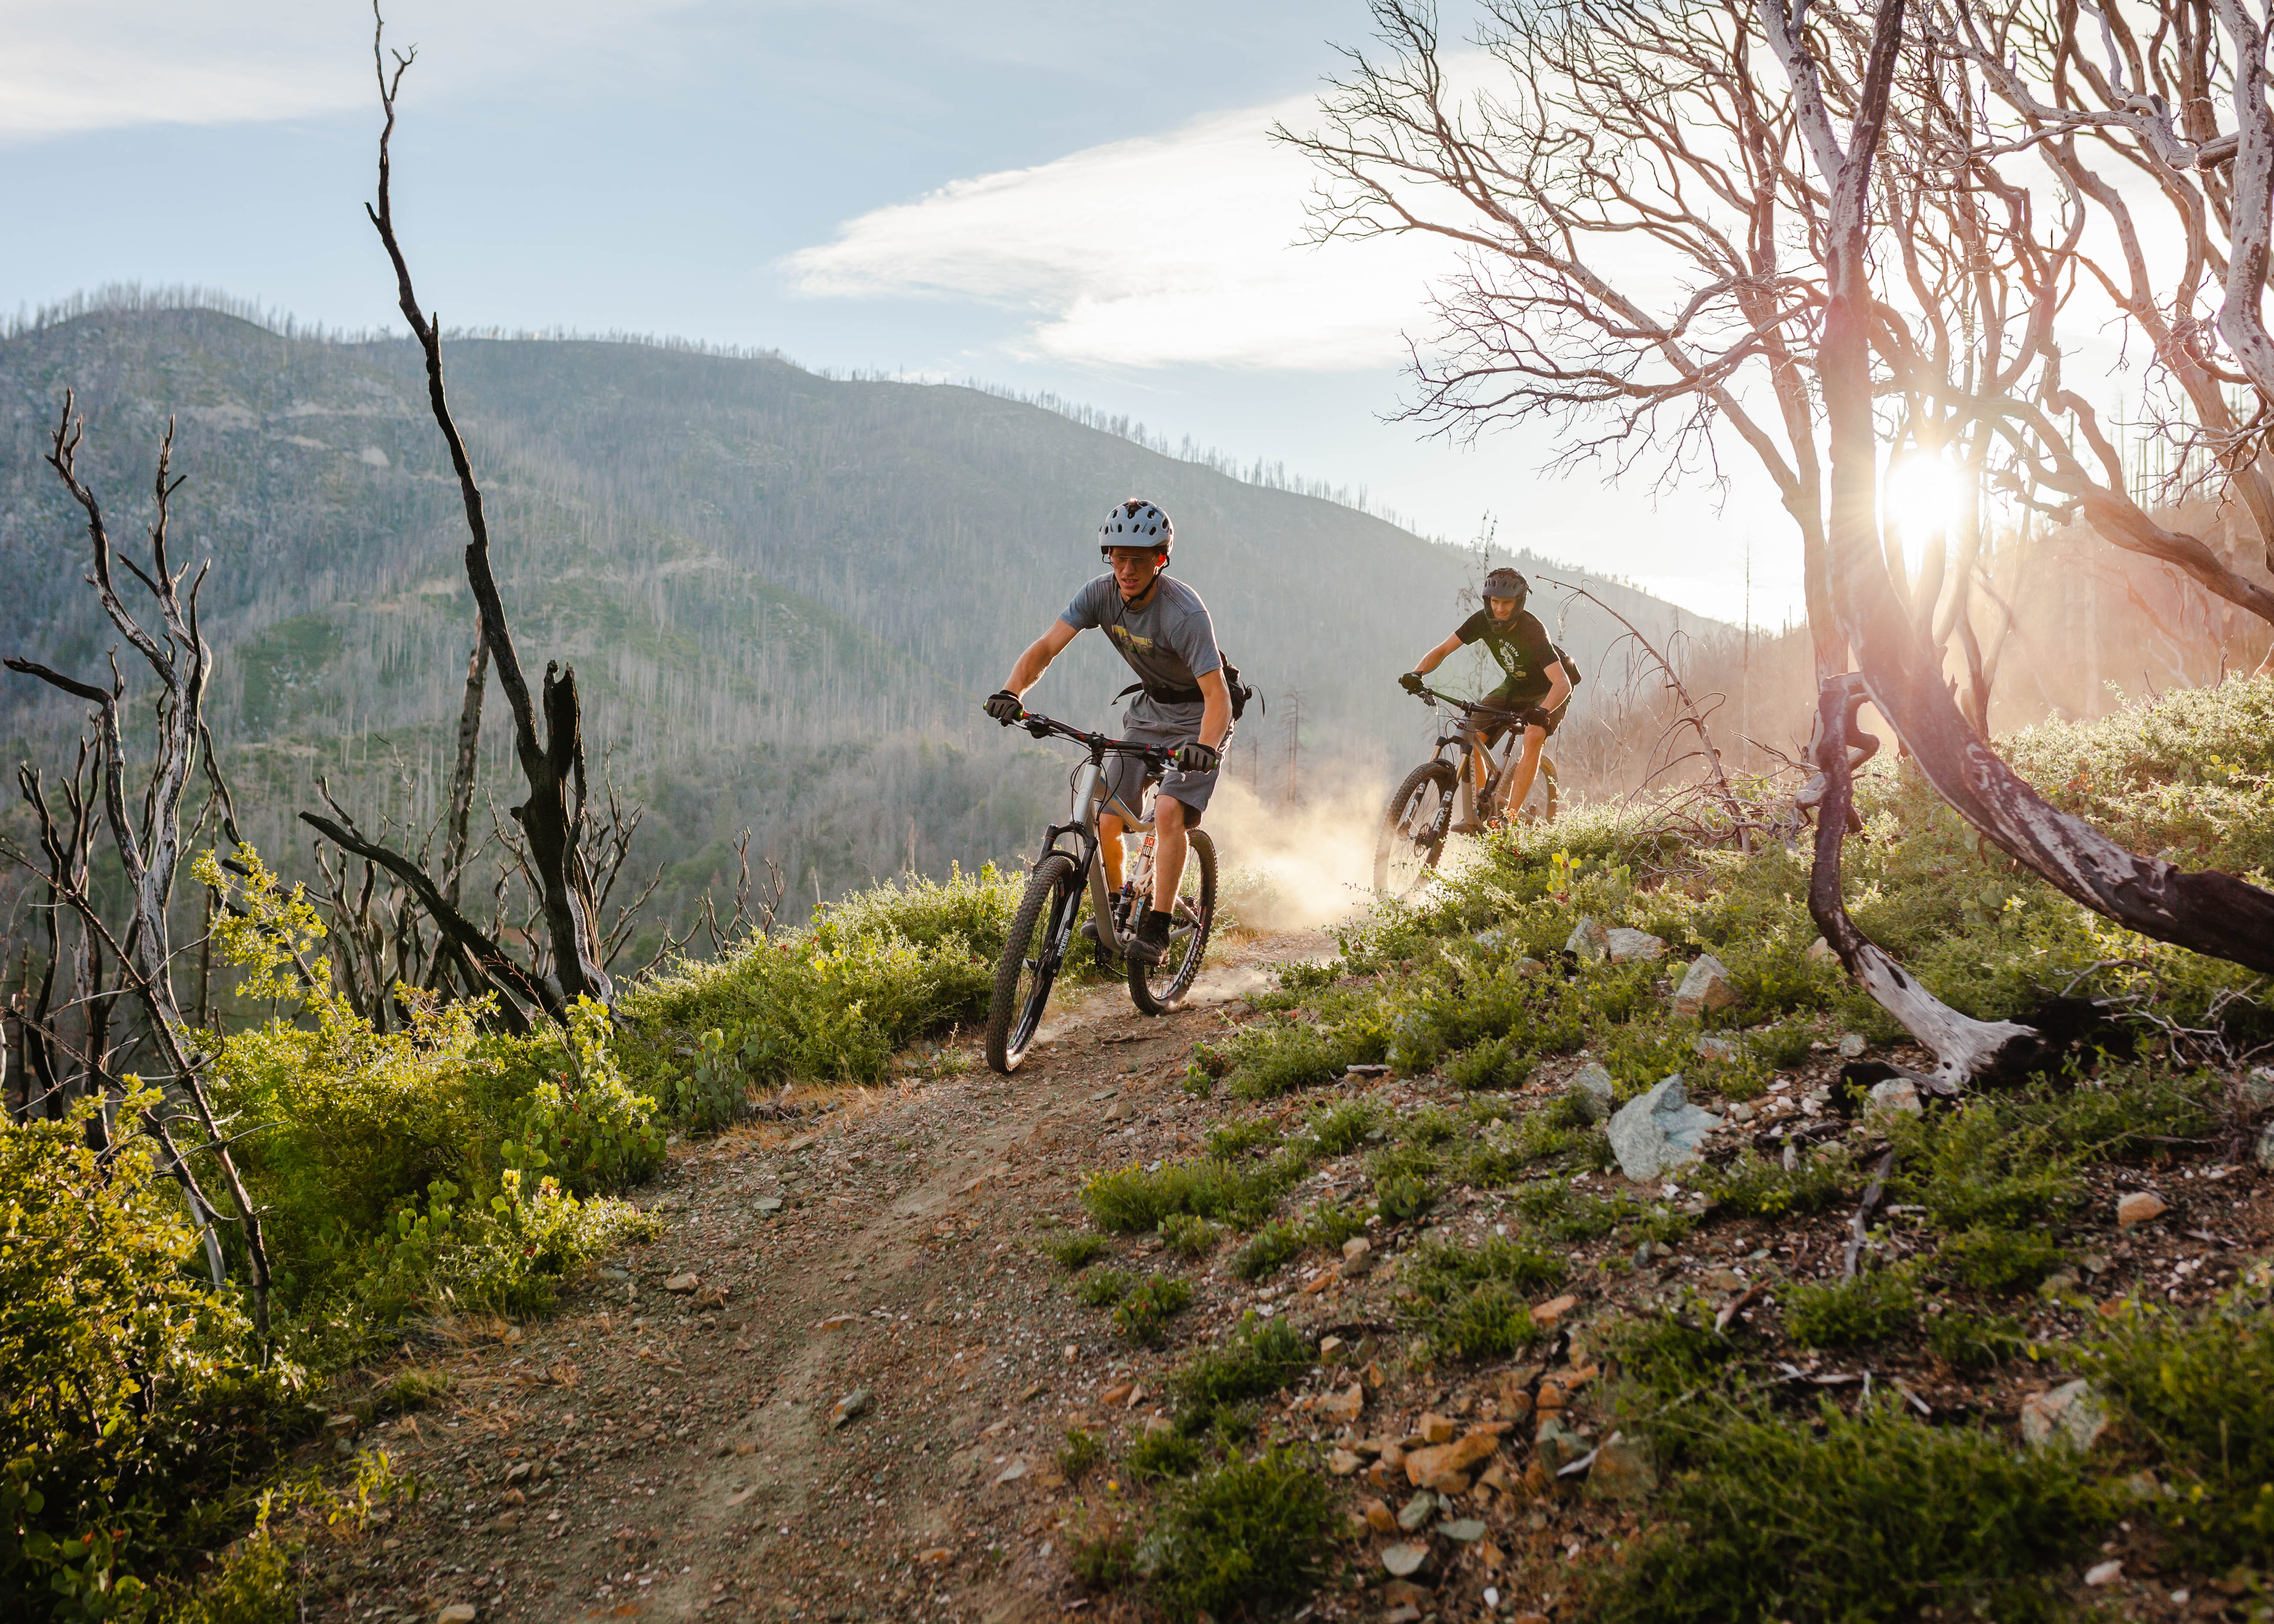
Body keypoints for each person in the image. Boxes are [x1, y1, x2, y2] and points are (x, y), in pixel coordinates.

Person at [985, 500, 1232, 964]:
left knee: (1168, 812)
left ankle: (1157, 927)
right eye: (1118, 557)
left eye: (1138, 559)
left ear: (1160, 559)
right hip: (1147, 713)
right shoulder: (1099, 595)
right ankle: (1119, 906)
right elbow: (1046, 647)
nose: (1127, 569)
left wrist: (1204, 746)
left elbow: (1217, 694)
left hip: (1199, 719)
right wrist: (1012, 691)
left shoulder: (1184, 613)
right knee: (1107, 815)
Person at [1400, 567, 1570, 826]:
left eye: (1507, 603)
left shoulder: (1533, 631)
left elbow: (1563, 684)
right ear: (1488, 600)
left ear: (1519, 603)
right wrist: (1417, 673)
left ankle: (1509, 822)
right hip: (1516, 686)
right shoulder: (1482, 621)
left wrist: (1543, 711)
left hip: (1549, 689)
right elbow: (1444, 649)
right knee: (1472, 733)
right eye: (1495, 601)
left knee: (1534, 735)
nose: (1500, 609)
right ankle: (1484, 809)